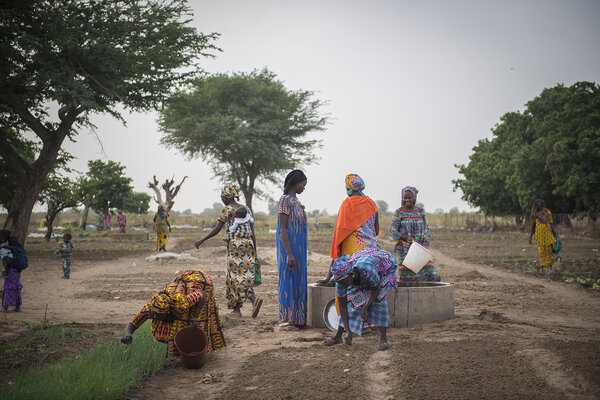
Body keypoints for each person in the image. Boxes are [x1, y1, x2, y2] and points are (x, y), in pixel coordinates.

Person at [121, 269, 225, 357]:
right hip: (182, 285)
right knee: (177, 323)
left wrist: (196, 319)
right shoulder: (151, 306)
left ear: (168, 310)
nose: (157, 318)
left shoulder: (180, 303)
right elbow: (133, 323)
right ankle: (178, 352)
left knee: (194, 321)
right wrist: (128, 334)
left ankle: (201, 352)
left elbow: (201, 295)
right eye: (155, 315)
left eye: (160, 316)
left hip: (199, 281)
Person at [195, 186, 262, 318]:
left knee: (235, 277)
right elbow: (252, 230)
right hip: (248, 244)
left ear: (226, 197)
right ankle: (243, 306)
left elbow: (217, 228)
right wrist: (255, 249)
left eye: (222, 197)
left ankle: (248, 303)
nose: (222, 200)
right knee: (243, 275)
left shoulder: (227, 209)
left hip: (235, 247)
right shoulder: (246, 209)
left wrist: (202, 240)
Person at [324, 248, 397, 351]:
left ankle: (383, 339)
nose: (342, 285)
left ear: (351, 276)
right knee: (351, 300)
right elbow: (343, 307)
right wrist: (348, 331)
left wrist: (366, 307)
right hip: (362, 270)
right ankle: (338, 336)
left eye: (343, 282)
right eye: (340, 283)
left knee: (379, 300)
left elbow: (376, 289)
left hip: (385, 268)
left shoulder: (367, 269)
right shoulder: (341, 280)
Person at [317, 173, 379, 285]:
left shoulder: (347, 203)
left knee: (351, 283)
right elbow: (376, 229)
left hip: (352, 252)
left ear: (348, 188)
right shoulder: (371, 203)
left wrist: (328, 276)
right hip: (371, 250)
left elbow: (341, 233)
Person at [277, 170, 308, 330]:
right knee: (288, 279)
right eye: (303, 184)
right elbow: (283, 228)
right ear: (296, 183)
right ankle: (285, 320)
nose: (304, 187)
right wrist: (289, 253)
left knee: (298, 280)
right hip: (289, 248)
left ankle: (297, 318)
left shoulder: (296, 201)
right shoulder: (285, 200)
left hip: (300, 249)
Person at [390, 186, 441, 282]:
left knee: (432, 273)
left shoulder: (420, 211)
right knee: (407, 277)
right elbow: (393, 231)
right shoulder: (399, 212)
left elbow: (425, 228)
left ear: (415, 198)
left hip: (419, 249)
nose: (407, 200)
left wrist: (423, 239)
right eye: (405, 198)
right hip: (405, 250)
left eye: (410, 197)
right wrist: (404, 237)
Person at [528, 199, 557, 271]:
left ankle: (550, 267)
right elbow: (533, 226)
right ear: (536, 206)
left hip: (547, 233)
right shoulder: (534, 214)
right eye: (539, 206)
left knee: (549, 249)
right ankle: (542, 267)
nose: (540, 208)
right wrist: (530, 237)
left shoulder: (547, 212)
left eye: (541, 206)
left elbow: (551, 223)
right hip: (539, 235)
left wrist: (555, 233)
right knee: (541, 250)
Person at [1, 230, 22, 312]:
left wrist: (5, 271)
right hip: (17, 270)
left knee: (7, 288)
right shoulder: (14, 245)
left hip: (10, 270)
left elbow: (8, 260)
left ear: (2, 238)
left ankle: (5, 308)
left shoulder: (5, 248)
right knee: (16, 287)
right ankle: (17, 307)